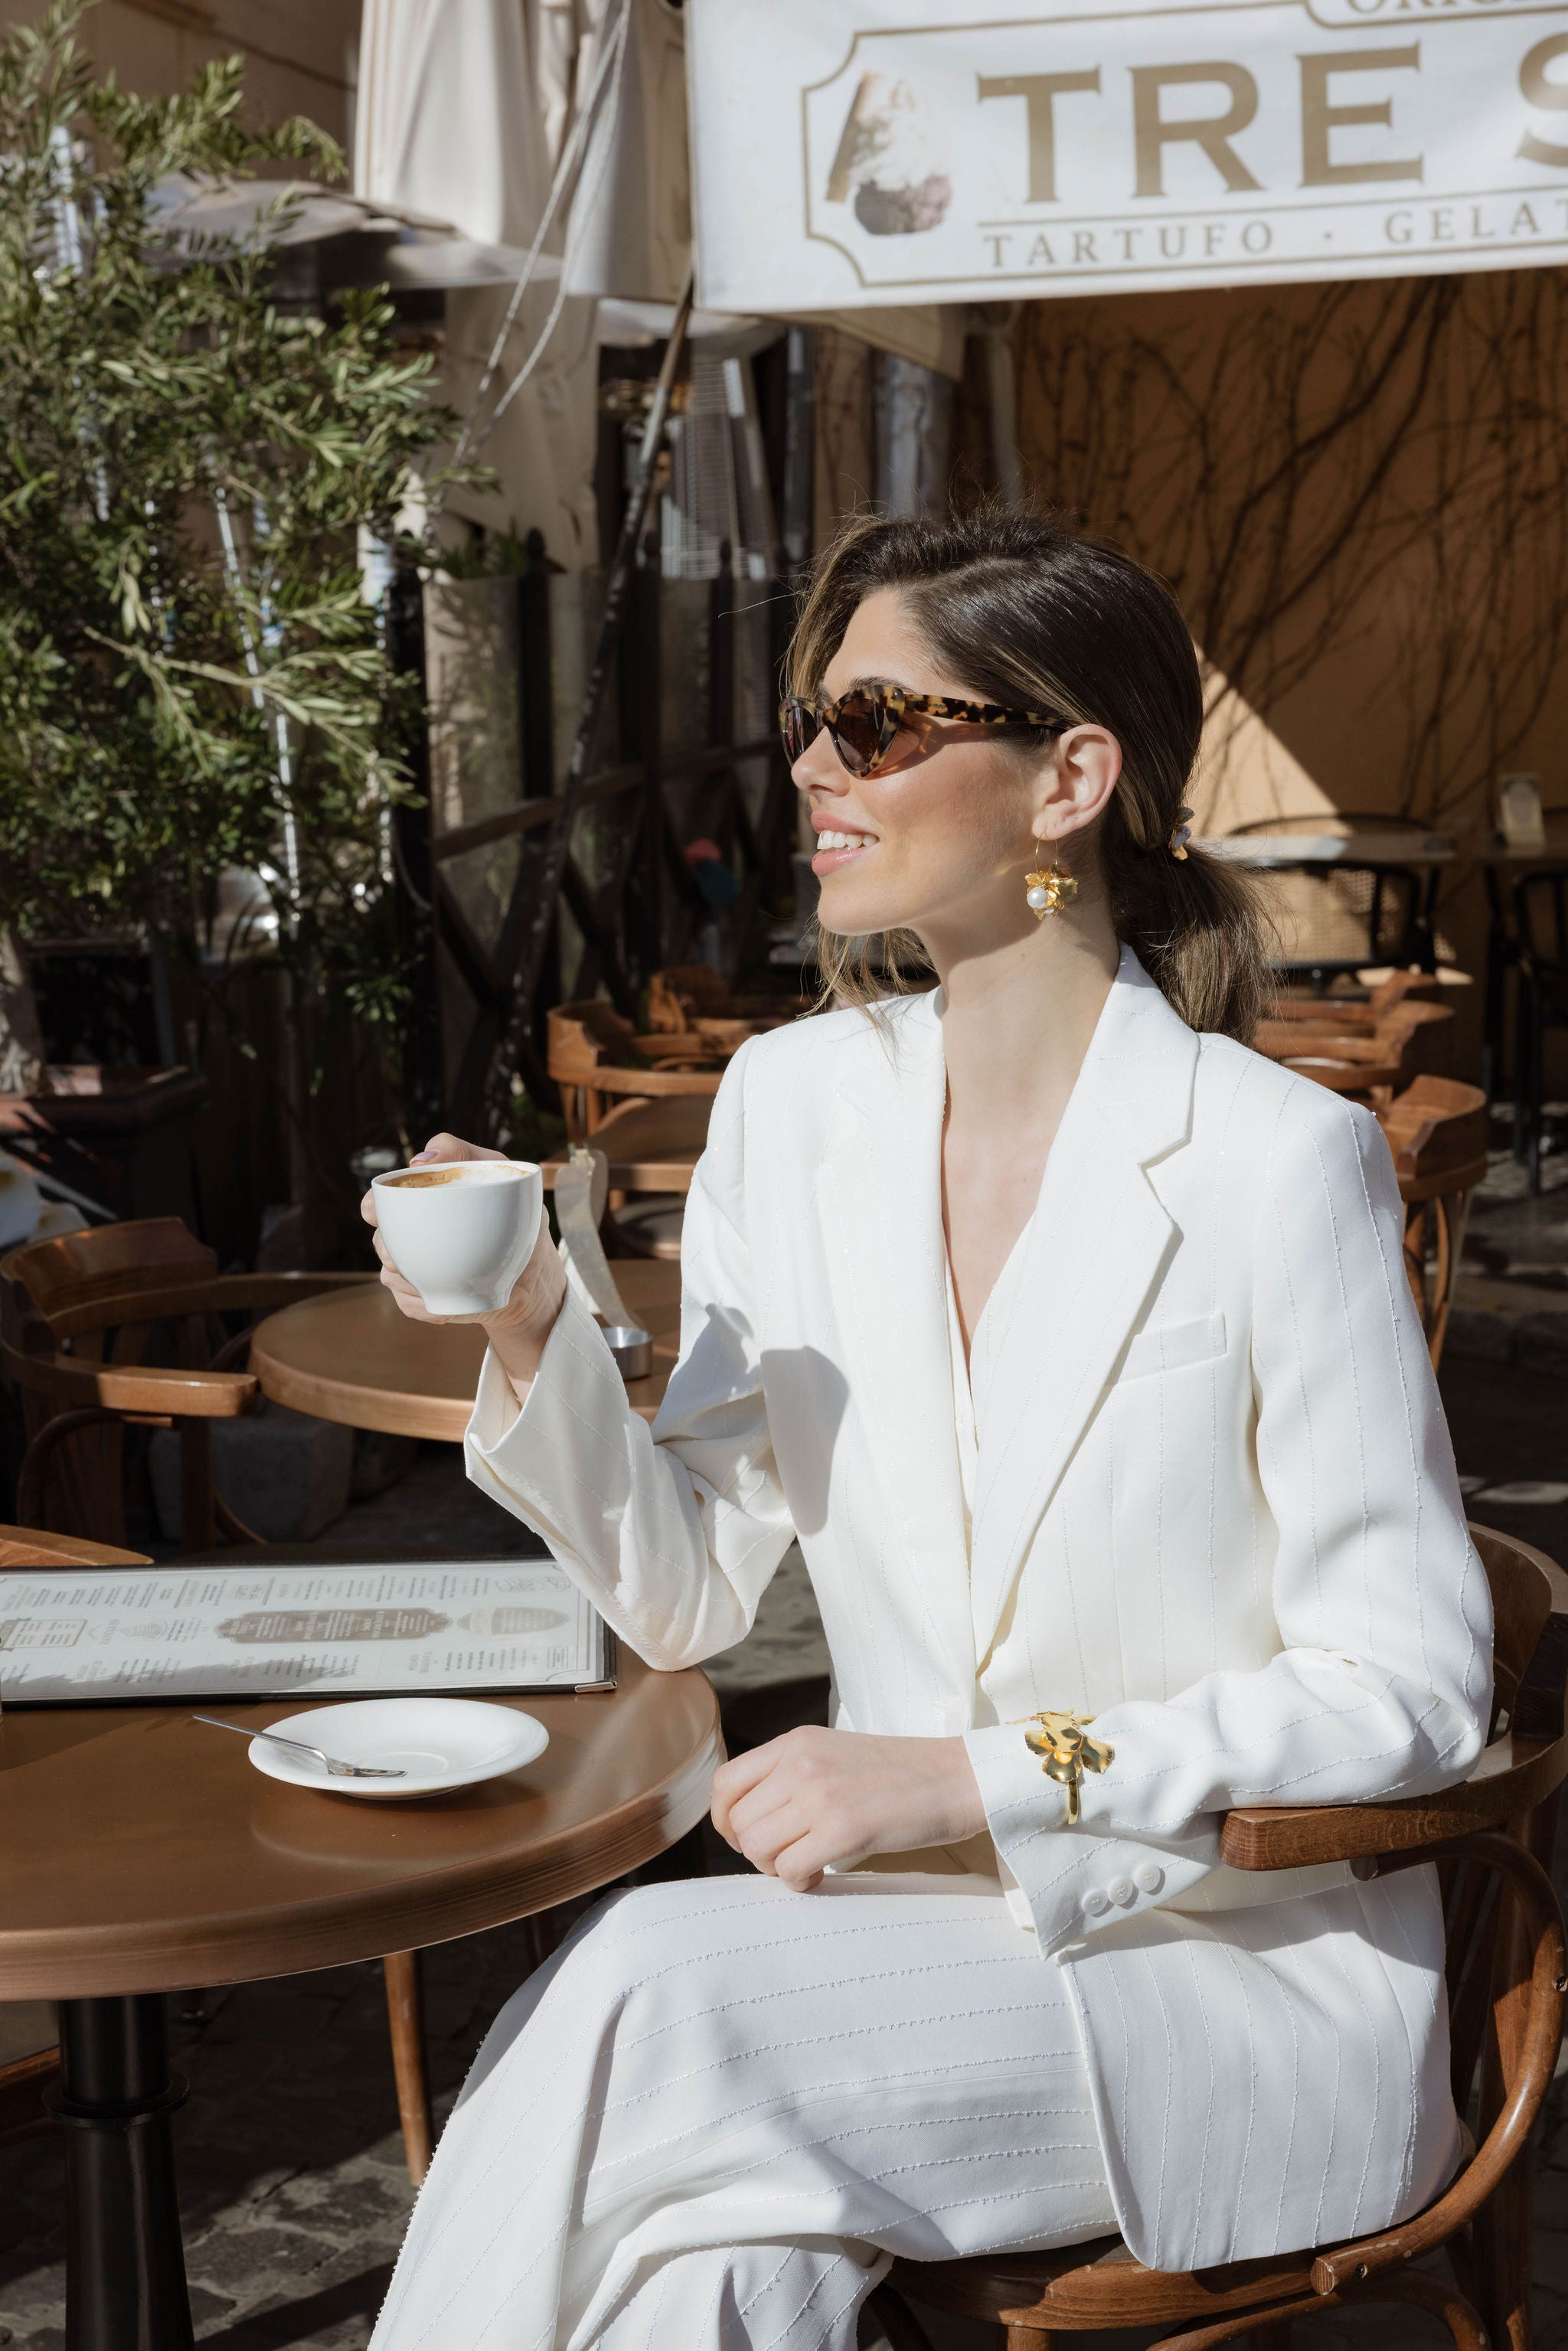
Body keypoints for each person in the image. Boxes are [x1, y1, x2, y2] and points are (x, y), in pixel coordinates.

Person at [366, 508, 1492, 2351]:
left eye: (878, 724)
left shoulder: (1269, 1162)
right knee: (707, 2272)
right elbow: (687, 1593)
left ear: (1071, 777)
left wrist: (972, 1774)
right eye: (816, 718)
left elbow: (1412, 1688)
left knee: (655, 1981)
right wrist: (530, 1320)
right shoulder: (791, 1114)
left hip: (1210, 1962)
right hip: (893, 1935)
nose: (814, 764)